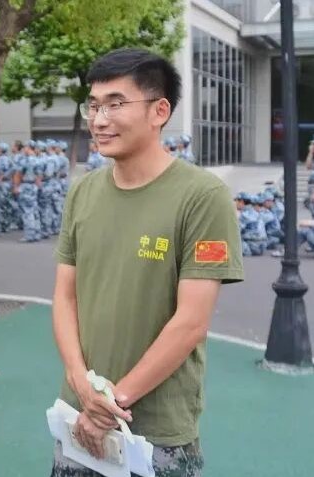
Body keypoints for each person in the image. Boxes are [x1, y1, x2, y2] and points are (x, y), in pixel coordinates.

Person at [52, 48, 243, 477]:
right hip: (78, 416)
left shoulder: (203, 197)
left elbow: (190, 322)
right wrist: (81, 385)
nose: (99, 119)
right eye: (93, 105)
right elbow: (65, 297)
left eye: (116, 103)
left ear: (160, 111)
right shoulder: (82, 191)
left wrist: (110, 405)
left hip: (155, 433)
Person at [13, 140, 41, 243]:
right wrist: (37, 186)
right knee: (34, 210)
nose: (24, 149)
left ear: (28, 148)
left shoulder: (25, 160)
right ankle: (37, 233)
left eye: (25, 147)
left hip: (26, 186)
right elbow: (39, 176)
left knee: (27, 211)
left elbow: (18, 174)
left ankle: (29, 235)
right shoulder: (38, 160)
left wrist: (16, 187)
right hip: (33, 186)